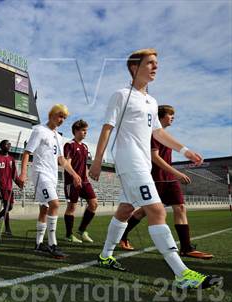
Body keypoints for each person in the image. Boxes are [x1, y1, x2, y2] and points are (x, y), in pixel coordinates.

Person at [89, 48, 221, 289]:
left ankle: (105, 256)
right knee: (157, 210)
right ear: (134, 68)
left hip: (142, 162)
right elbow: (107, 128)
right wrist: (97, 160)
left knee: (126, 209)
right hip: (130, 160)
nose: (155, 67)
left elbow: (157, 133)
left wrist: (185, 150)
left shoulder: (152, 101)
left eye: (156, 63)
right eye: (150, 63)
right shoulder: (121, 95)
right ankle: (182, 274)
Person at [119, 105, 213, 259]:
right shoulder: (152, 134)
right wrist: (177, 173)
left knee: (180, 207)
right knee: (143, 211)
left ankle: (186, 248)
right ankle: (122, 236)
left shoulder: (165, 136)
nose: (173, 118)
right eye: (170, 115)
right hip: (156, 179)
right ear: (161, 116)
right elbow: (155, 157)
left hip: (169, 179)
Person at [20, 104, 82, 259]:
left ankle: (38, 244)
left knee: (44, 209)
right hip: (41, 174)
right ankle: (53, 245)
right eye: (60, 116)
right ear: (52, 115)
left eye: (64, 118)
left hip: (52, 176)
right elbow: (27, 153)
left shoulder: (58, 136)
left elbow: (61, 160)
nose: (62, 120)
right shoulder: (39, 130)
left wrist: (74, 174)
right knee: (55, 204)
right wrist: (22, 174)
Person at [63, 120, 97, 243]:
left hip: (84, 180)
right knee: (72, 207)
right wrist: (74, 175)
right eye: (83, 130)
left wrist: (88, 174)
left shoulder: (85, 147)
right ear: (76, 131)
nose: (85, 133)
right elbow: (67, 163)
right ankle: (69, 235)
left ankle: (82, 230)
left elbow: (84, 164)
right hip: (72, 181)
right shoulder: (69, 144)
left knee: (94, 204)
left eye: (86, 131)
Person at [0, 139, 22, 236]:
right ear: (2, 146)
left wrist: (19, 183)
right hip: (1, 187)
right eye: (7, 144)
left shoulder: (11, 159)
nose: (9, 145)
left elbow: (14, 175)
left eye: (10, 144)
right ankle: (7, 229)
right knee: (7, 206)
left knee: (10, 206)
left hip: (9, 187)